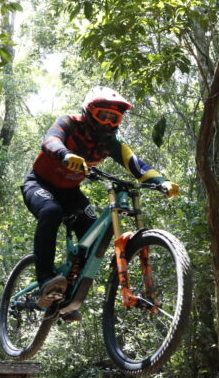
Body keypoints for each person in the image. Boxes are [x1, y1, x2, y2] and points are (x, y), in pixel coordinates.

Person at [20, 86, 180, 322]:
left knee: (93, 235)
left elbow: (136, 165)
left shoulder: (112, 143)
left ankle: (68, 295)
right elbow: (50, 140)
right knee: (51, 211)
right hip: (39, 184)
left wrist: (162, 182)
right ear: (88, 112)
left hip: (70, 192)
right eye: (102, 115)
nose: (107, 122)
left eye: (113, 118)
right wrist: (65, 154)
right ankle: (46, 280)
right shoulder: (69, 123)